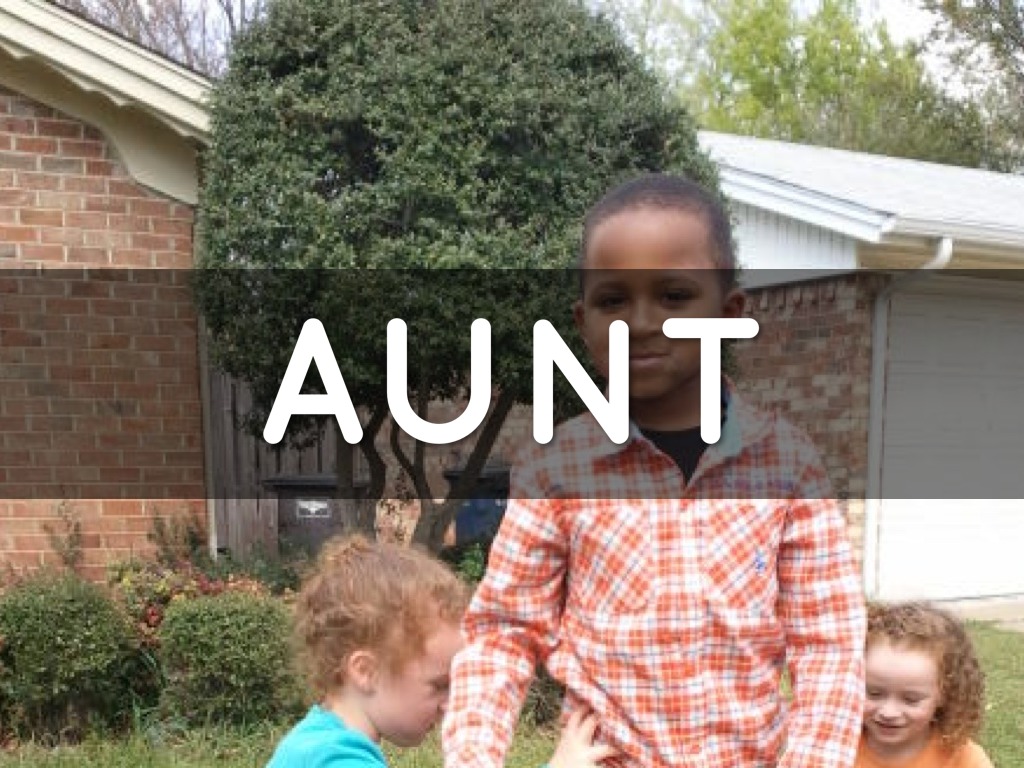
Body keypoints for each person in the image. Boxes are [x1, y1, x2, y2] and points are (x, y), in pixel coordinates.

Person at [442, 173, 867, 768]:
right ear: (583, 320)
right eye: (613, 301)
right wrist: (473, 757)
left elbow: (829, 642)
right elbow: (504, 632)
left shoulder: (788, 466)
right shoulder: (556, 469)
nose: (640, 322)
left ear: (728, 312)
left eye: (673, 295)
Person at [266, 535, 614, 768]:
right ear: (365, 671)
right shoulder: (333, 759)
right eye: (439, 685)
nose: (452, 703)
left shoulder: (320, 745)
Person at [856, 601, 994, 768]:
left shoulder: (964, 759)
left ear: (945, 694)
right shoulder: (837, 743)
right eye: (874, 694)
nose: (888, 712)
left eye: (911, 699)